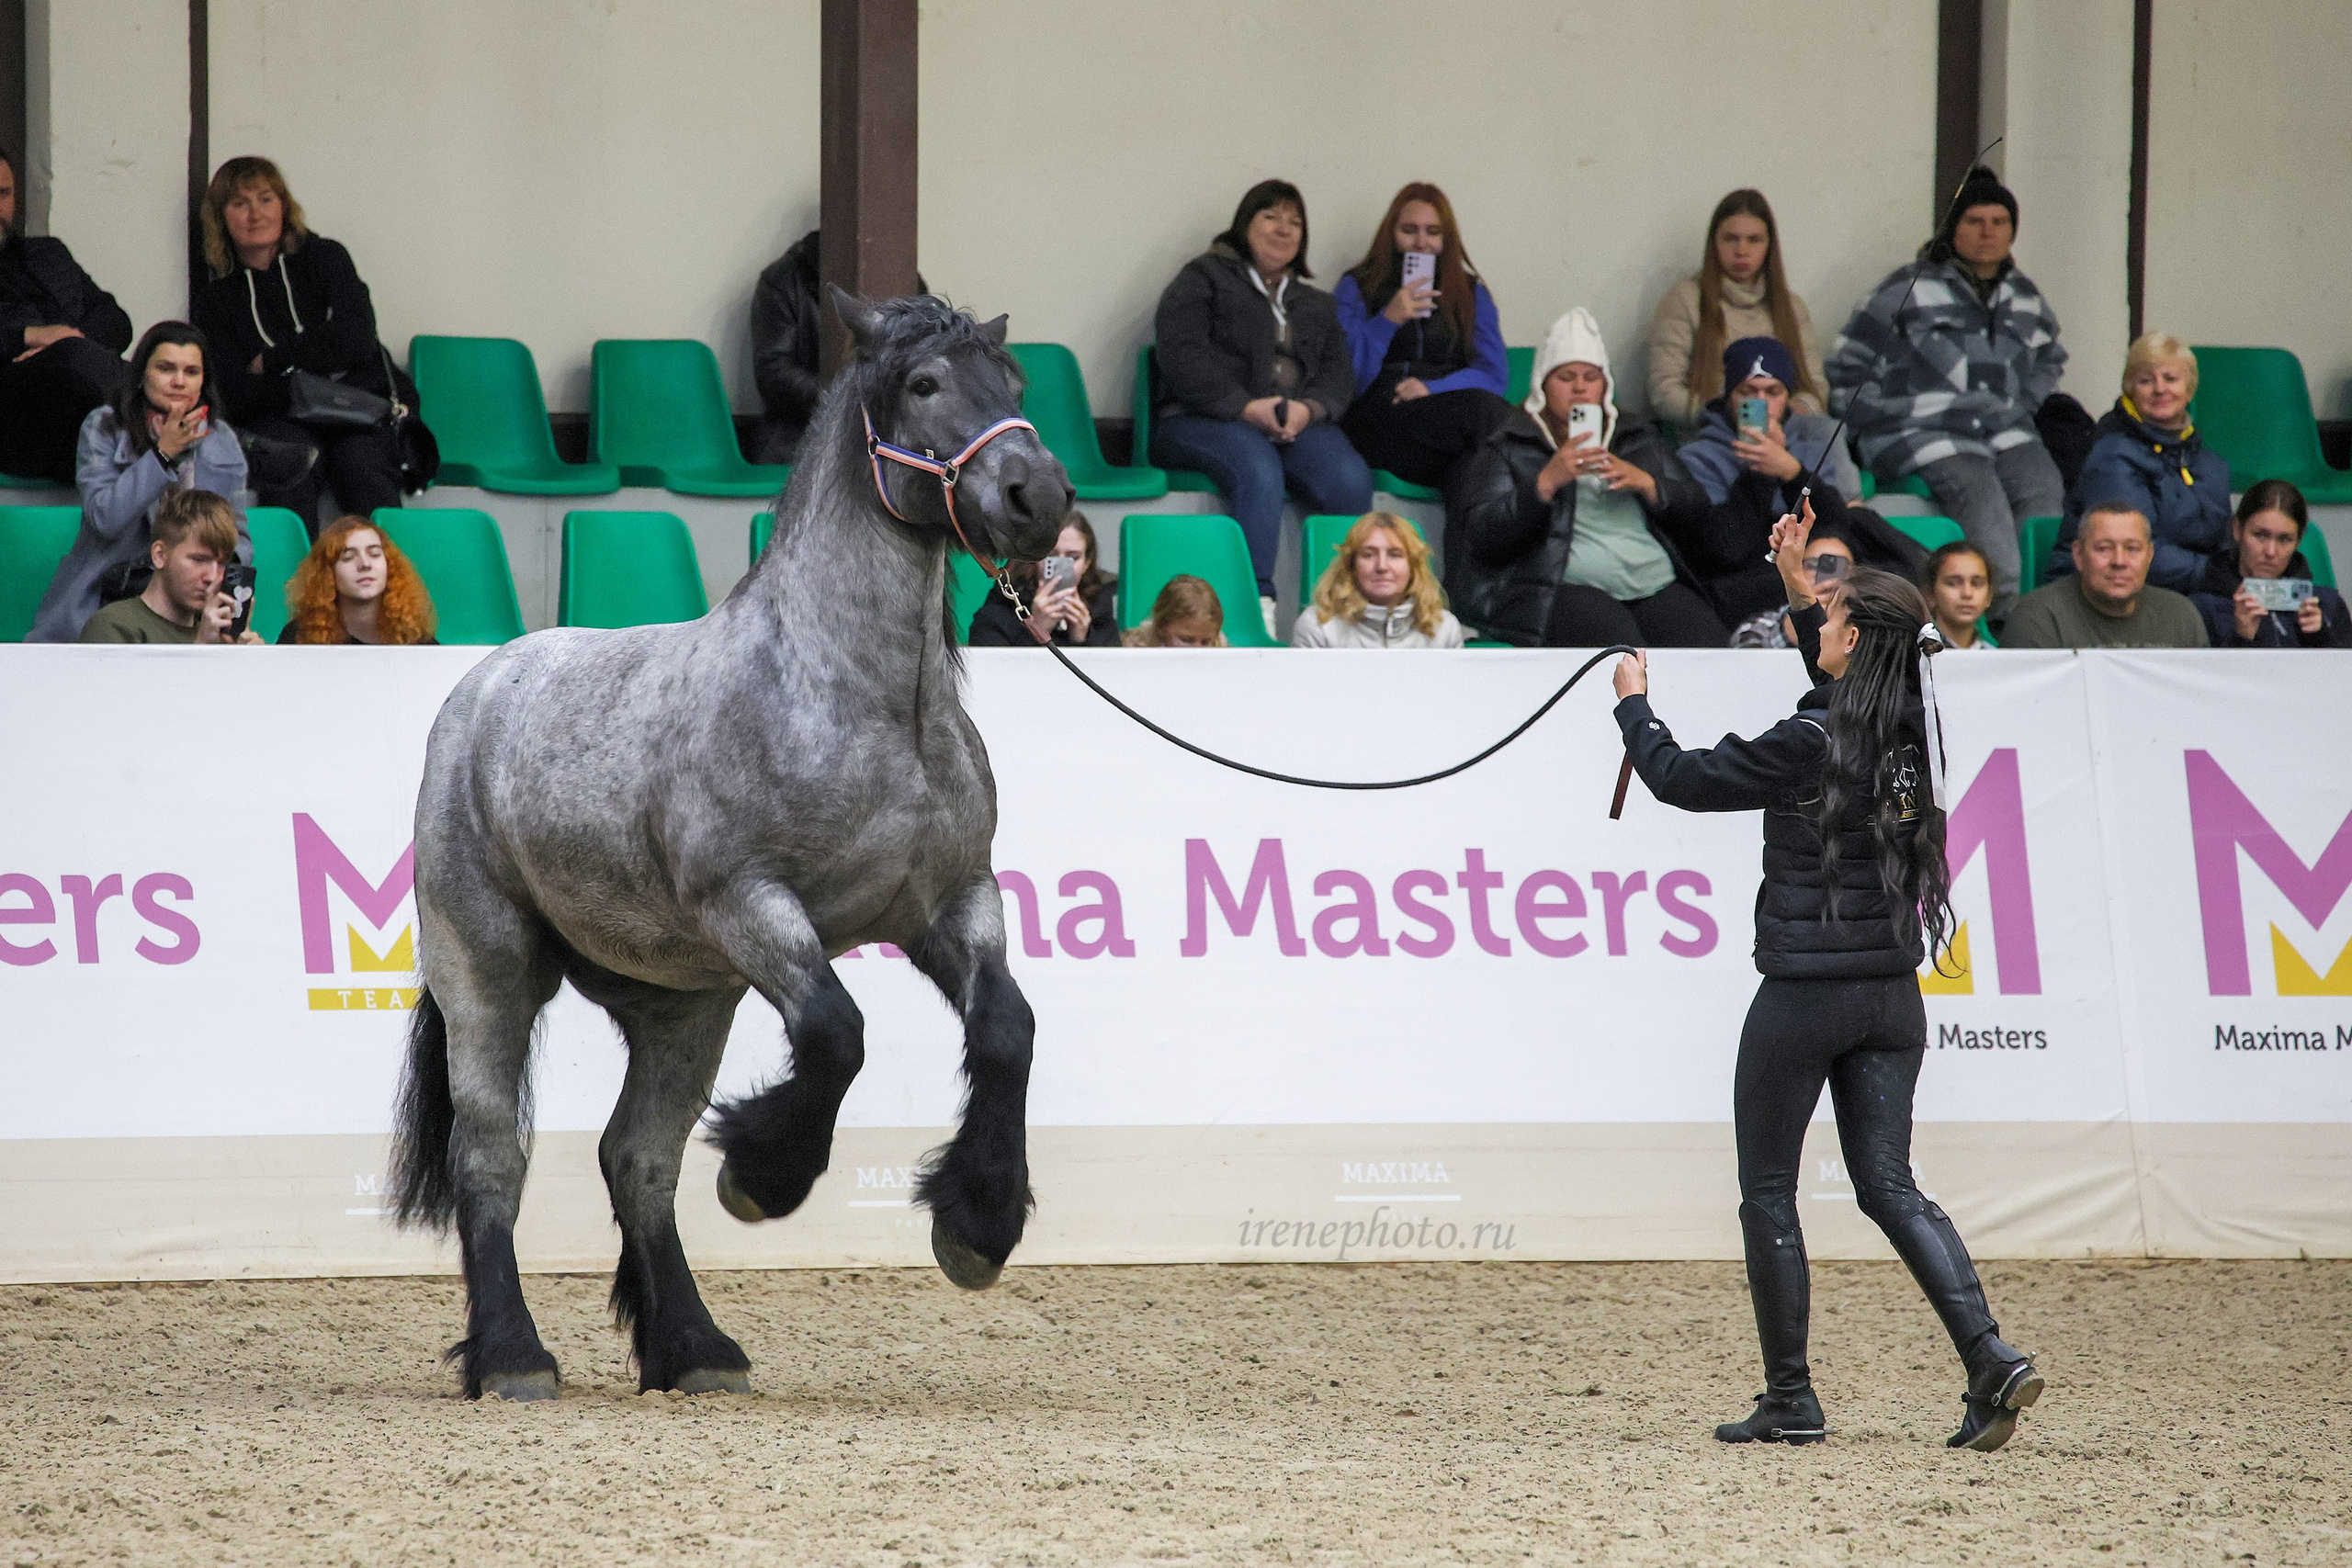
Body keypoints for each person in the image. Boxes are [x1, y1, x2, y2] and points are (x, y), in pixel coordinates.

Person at [1611, 497, 2044, 1452]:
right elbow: (1832, 669)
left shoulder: (1807, 743)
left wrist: (1631, 704)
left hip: (1804, 990)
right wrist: (1795, 572)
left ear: (1856, 641)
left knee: (1766, 1186)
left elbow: (1681, 779)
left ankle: (1791, 1395)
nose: (1820, 625)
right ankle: (1987, 1354)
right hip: (1889, 993)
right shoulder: (1903, 737)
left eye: (1831, 616)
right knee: (1888, 1184)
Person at [1826, 165, 2066, 620]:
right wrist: (1879, 415)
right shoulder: (1908, 286)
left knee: (2044, 488)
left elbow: (2051, 358)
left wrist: (2021, 405)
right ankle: (1991, 625)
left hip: (2000, 430)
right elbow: (1847, 366)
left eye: (1999, 222)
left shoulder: (2024, 295)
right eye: (1974, 221)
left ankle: (2039, 616)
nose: (1987, 233)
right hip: (1924, 431)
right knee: (1985, 508)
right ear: (1952, 228)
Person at [1150, 180, 1372, 630]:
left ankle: (1347, 606)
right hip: (1199, 421)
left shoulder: (1315, 302)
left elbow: (1338, 373)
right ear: (1244, 226)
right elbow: (1181, 356)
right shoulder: (1202, 279)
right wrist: (1245, 407)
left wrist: (1310, 409)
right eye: (1270, 217)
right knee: (1257, 466)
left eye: (1295, 222)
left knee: (1349, 476)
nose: (1283, 230)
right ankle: (1258, 607)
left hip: (1293, 426)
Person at [1450, 306, 1724, 649]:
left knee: (1709, 648)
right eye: (1566, 378)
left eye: (1590, 377)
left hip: (1652, 582)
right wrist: (1545, 483)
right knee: (1620, 650)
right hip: (1556, 591)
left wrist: (1649, 484)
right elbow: (1481, 536)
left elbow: (1700, 511)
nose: (1579, 388)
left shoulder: (1637, 436)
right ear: (1543, 386)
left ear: (1605, 386)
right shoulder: (1509, 443)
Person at [190, 155, 406, 530]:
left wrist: (272, 362)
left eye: (266, 199)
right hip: (283, 418)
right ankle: (291, 584)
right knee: (293, 462)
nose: (255, 214)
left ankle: (393, 585)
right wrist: (315, 358)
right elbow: (236, 393)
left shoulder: (326, 258)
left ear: (285, 207)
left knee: (361, 465)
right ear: (221, 218)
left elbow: (357, 340)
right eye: (240, 204)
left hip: (358, 404)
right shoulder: (216, 301)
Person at [28, 322, 252, 643]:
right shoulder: (104, 426)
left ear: (204, 382)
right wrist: (163, 456)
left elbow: (238, 538)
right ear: (142, 374)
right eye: (165, 368)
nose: (178, 381)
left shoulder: (221, 439)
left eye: (191, 372)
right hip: (112, 593)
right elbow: (105, 519)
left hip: (193, 603)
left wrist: (217, 578)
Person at [1672, 336, 1875, 619]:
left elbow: (1836, 524)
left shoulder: (1814, 443)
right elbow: (1727, 549)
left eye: (1772, 391)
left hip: (1817, 568)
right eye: (1748, 391)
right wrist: (1761, 472)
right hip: (1747, 581)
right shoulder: (1698, 457)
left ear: (1787, 397)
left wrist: (1791, 472)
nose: (1761, 402)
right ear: (1730, 395)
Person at [1330, 183, 1514, 491]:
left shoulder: (1470, 292)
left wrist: (1431, 388)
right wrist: (1386, 321)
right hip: (1380, 420)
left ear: (1447, 238)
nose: (1421, 243)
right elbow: (1345, 379)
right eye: (1409, 230)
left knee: (1473, 469)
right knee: (1489, 419)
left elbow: (1494, 375)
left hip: (1447, 423)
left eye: (1432, 232)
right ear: (1391, 234)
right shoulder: (1357, 285)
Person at [2053, 334, 2230, 592]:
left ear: (2189, 389)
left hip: (2184, 590)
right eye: (2146, 380)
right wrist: (2217, 575)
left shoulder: (2210, 464)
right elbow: (2129, 552)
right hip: (2103, 595)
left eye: (2170, 379)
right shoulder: (2112, 455)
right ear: (2130, 388)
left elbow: (2226, 544)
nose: (2160, 389)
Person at [0, 145, 132, 483]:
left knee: (175, 363)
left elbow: (116, 321)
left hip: (81, 388)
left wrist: (63, 342)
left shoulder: (48, 254)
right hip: (14, 406)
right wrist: (30, 336)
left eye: (3, 194)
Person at [1647, 190, 1828, 430]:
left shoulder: (1792, 307)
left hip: (1784, 435)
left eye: (1754, 240)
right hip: (1711, 436)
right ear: (1714, 243)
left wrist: (1785, 416)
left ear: (1769, 246)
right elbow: (1664, 391)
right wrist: (1733, 417)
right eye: (1731, 239)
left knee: (1830, 438)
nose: (1742, 250)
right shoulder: (1685, 299)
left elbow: (1815, 388)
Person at [750, 231, 925, 465]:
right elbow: (774, 373)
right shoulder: (785, 280)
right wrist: (846, 401)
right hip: (801, 430)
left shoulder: (904, 278)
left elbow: (926, 359)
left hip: (893, 431)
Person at [2003, 502, 2208, 649]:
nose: (2119, 561)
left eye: (2132, 549)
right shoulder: (2039, 617)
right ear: (2078, 555)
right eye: (2103, 549)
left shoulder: (2181, 616)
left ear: (2150, 555)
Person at [76, 489, 262, 645]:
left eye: (222, 563)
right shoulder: (114, 626)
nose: (213, 577)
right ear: (159, 555)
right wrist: (203, 648)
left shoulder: (220, 634)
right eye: (199, 560)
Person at [2188, 479, 2351, 649]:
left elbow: (2342, 674)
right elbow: (2200, 675)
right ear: (2237, 530)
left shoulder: (2329, 606)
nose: (2270, 552)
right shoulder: (2202, 609)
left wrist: (2319, 637)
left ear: (2298, 541)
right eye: (2259, 535)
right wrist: (2242, 638)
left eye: (2284, 539)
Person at [1292, 512, 1465, 649]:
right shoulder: (1318, 626)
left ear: (1413, 567)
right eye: (1368, 555)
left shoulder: (1444, 629)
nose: (1382, 566)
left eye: (1394, 555)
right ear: (1351, 565)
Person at [279, 513, 439, 645]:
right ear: (327, 574)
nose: (365, 564)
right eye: (348, 557)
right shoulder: (299, 637)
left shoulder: (415, 639)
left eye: (375, 554)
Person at [967, 513, 1119, 648]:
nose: (1061, 565)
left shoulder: (1099, 608)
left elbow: (1114, 674)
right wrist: (1035, 631)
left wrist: (1083, 639)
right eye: (1051, 555)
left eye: (1073, 557)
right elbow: (993, 672)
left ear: (1086, 563)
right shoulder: (1002, 607)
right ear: (1034, 558)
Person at [1729, 522, 1853, 649]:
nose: (1829, 580)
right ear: (1798, 569)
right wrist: (1798, 624)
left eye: (1841, 568)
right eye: (1814, 565)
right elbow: (1746, 655)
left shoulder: (1868, 622)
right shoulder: (1759, 628)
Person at [1919, 541, 1996, 649]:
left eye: (1976, 584)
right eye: (1953, 583)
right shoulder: (1916, 655)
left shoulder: (1996, 659)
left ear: (1989, 596)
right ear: (1930, 594)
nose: (1967, 593)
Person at [1122, 574, 1227, 648]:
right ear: (1161, 627)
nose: (1197, 651)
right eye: (1187, 640)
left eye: (1205, 642)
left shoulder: (1219, 650)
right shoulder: (1136, 653)